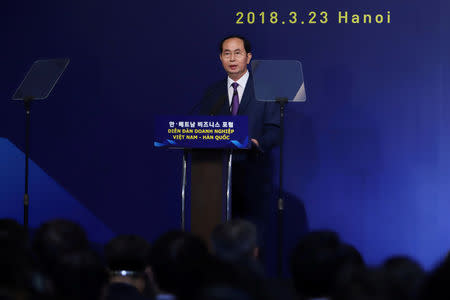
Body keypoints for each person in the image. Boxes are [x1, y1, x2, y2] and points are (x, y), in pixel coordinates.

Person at [199, 36, 280, 258]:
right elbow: (199, 124)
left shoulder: (265, 89)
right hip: (217, 178)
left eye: (238, 53)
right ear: (220, 58)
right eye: (227, 53)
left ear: (248, 57)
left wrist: (257, 143)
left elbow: (275, 130)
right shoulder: (213, 92)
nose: (232, 58)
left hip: (253, 175)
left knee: (251, 236)